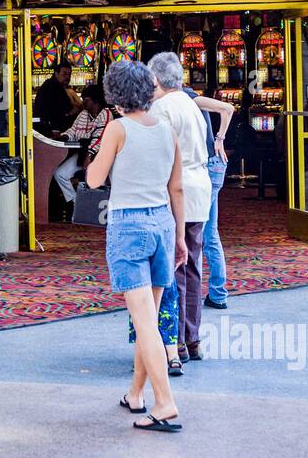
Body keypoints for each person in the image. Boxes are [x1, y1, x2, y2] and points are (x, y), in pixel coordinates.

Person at [86, 59, 187, 432]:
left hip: (129, 225)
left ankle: (165, 402)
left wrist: (98, 156)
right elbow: (176, 187)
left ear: (114, 95)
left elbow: (95, 180)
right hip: (163, 221)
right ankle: (136, 394)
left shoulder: (117, 128)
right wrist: (179, 236)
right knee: (150, 317)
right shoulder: (167, 129)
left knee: (143, 321)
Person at [149, 53, 212, 370]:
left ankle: (172, 343)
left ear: (157, 80)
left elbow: (159, 155)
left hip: (174, 190)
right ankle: (192, 338)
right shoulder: (191, 103)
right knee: (193, 267)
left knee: (170, 268)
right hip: (199, 189)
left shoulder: (161, 108)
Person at [186, 89, 235, 309]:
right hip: (212, 166)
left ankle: (195, 293)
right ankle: (217, 293)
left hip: (207, 165)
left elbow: (227, 108)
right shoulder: (183, 98)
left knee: (198, 233)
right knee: (209, 233)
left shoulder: (188, 96)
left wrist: (220, 139)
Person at [52, 84, 111, 207]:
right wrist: (65, 136)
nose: (83, 102)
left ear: (95, 100)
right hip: (83, 154)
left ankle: (98, 208)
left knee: (98, 181)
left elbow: (100, 137)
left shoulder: (106, 114)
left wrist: (89, 156)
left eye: (86, 100)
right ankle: (77, 205)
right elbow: (73, 130)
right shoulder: (84, 114)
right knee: (60, 174)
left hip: (100, 156)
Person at [34, 62, 78, 136]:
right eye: (64, 74)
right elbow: (57, 112)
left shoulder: (53, 85)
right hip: (51, 130)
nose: (67, 77)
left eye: (69, 74)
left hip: (47, 128)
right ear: (56, 74)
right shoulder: (53, 87)